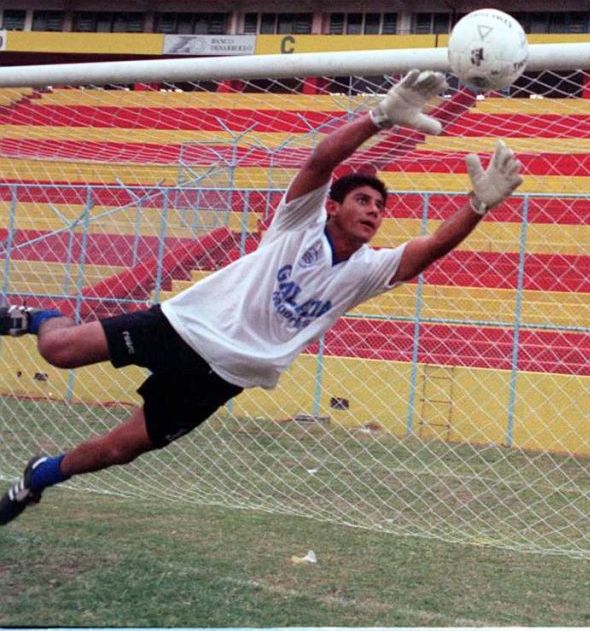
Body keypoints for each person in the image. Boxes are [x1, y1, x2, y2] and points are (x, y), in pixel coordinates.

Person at [0, 70, 523, 526]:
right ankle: (40, 317)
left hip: (224, 376)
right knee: (58, 351)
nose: (373, 211)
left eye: (380, 207)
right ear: (334, 207)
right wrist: (380, 118)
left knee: (119, 449)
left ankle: (41, 475)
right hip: (183, 326)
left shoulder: (368, 271)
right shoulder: (298, 226)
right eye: (362, 200)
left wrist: (477, 205)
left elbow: (430, 249)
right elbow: (320, 162)